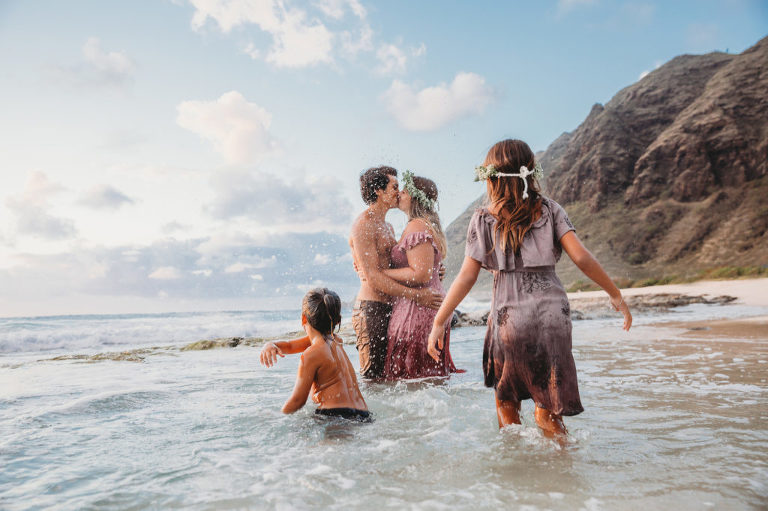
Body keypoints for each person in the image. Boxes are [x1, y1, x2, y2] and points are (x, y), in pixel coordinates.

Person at [427, 139, 632, 438]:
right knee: (549, 412)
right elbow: (581, 257)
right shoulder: (550, 209)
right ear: (530, 171)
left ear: (490, 177)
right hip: (553, 318)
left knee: (507, 405)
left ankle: (517, 478)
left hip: (510, 319)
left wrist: (439, 321)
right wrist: (615, 294)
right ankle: (563, 471)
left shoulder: (483, 219)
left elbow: (466, 277)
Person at [349, 166, 442, 380]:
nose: (398, 192)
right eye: (394, 186)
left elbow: (396, 267)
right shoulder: (363, 225)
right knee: (373, 378)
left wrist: (435, 268)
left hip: (391, 306)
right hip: (371, 309)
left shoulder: (388, 226)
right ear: (379, 191)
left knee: (389, 377)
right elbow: (373, 277)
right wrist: (418, 295)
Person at [381, 171, 461, 379]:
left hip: (420, 307)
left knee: (412, 377)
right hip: (427, 305)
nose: (399, 194)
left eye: (405, 191)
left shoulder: (416, 226)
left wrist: (381, 273)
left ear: (415, 198)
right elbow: (429, 270)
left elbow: (421, 275)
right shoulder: (422, 224)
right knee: (427, 376)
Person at [259, 288, 371, 421]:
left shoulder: (311, 355)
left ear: (303, 318)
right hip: (363, 415)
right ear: (337, 321)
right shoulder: (336, 340)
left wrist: (277, 416)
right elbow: (290, 346)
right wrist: (271, 344)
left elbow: (298, 401)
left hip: (336, 417)